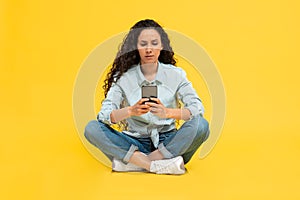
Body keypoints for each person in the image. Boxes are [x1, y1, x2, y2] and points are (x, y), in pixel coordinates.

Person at [84, 19, 210, 175]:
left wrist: (168, 113)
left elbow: (197, 109)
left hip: (169, 143)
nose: (149, 49)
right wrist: (130, 111)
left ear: (161, 46)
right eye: (143, 44)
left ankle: (137, 163)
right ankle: (157, 166)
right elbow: (103, 116)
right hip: (134, 142)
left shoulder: (176, 75)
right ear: (136, 47)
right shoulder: (123, 78)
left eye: (154, 43)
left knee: (201, 126)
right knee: (91, 128)